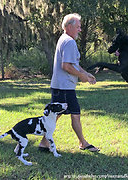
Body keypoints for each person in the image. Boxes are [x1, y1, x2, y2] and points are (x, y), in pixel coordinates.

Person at [38, 13, 99, 152]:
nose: (80, 30)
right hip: (64, 87)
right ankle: (82, 143)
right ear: (69, 26)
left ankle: (45, 143)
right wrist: (81, 77)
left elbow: (73, 64)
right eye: (78, 27)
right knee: (68, 113)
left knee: (62, 114)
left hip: (62, 86)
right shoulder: (69, 42)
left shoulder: (64, 39)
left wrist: (86, 74)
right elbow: (66, 66)